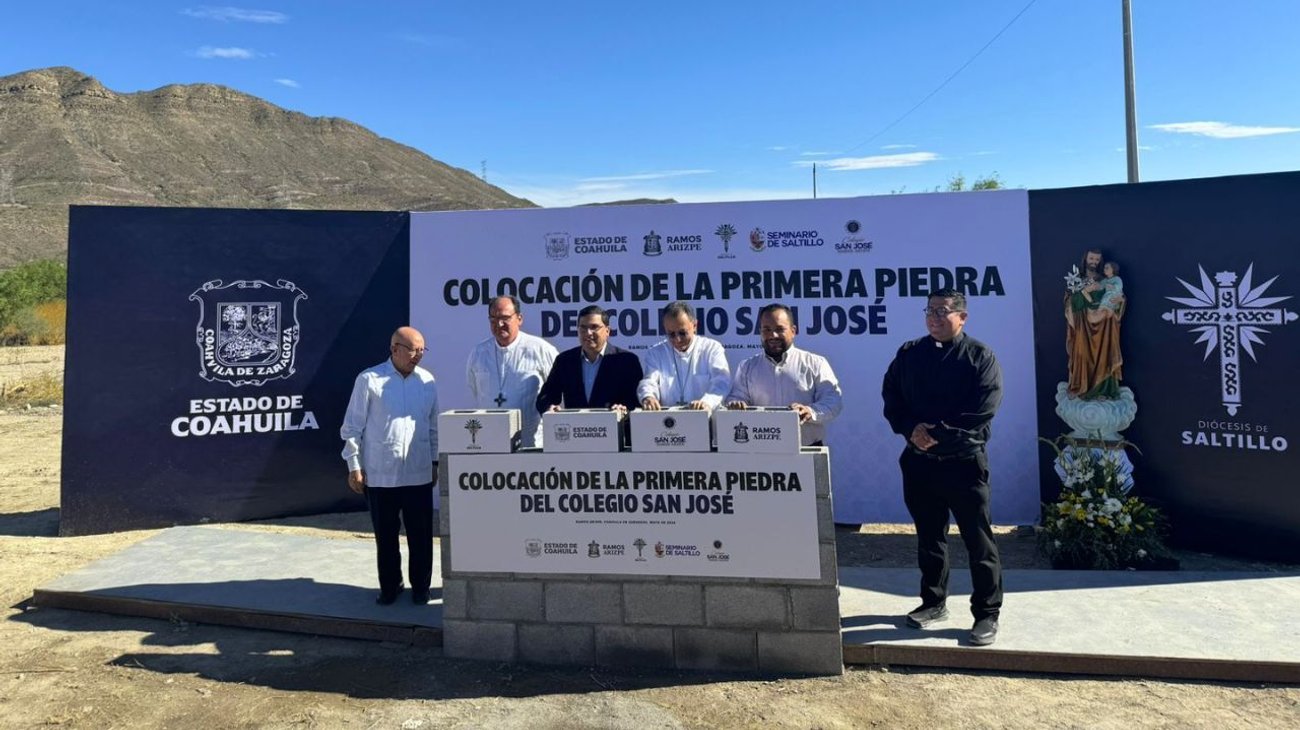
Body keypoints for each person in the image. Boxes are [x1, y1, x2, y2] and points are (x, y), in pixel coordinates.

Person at [881, 288, 1003, 646]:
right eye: (929, 311)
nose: (934, 318)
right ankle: (933, 602)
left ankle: (986, 613)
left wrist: (937, 434)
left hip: (964, 464)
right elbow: (892, 396)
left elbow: (983, 409)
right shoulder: (909, 354)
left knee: (978, 540)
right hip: (920, 465)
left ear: (962, 317)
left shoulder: (981, 357)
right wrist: (910, 430)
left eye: (943, 311)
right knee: (929, 538)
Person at [340, 326, 439, 606]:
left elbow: (433, 426)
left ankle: (421, 587)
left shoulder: (427, 381)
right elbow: (351, 427)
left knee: (421, 536)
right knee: (386, 537)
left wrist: (434, 462)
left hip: (418, 472)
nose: (418, 355)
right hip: (381, 475)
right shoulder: (369, 380)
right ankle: (390, 586)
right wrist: (354, 465)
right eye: (413, 350)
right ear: (395, 349)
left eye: (422, 350)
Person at [725, 303, 842, 446]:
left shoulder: (815, 363)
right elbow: (736, 398)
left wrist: (810, 412)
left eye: (780, 329)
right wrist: (736, 405)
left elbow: (833, 401)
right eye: (766, 329)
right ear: (760, 332)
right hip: (759, 452)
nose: (773, 335)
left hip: (806, 450)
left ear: (793, 331)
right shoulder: (747, 367)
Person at [466, 295, 558, 447]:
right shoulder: (479, 353)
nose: (499, 324)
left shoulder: (541, 350)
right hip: (490, 444)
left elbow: (557, 393)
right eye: (493, 319)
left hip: (530, 445)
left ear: (519, 319)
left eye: (505, 318)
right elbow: (475, 389)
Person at [536, 304, 643, 412]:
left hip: (614, 426)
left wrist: (624, 408)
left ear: (607, 331)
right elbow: (546, 397)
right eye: (583, 328)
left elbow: (636, 400)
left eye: (594, 327)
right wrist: (549, 407)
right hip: (575, 426)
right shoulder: (565, 361)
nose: (588, 333)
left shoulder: (627, 361)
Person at [637, 300, 731, 411]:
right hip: (668, 423)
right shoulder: (656, 353)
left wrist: (706, 402)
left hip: (705, 418)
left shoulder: (711, 348)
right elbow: (649, 381)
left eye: (682, 333)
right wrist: (648, 396)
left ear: (695, 326)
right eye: (671, 334)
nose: (677, 339)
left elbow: (721, 382)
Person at [1066, 248, 1124, 399]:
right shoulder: (1076, 278)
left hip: (1105, 327)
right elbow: (1069, 302)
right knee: (1082, 355)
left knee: (1105, 357)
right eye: (1092, 258)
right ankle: (1083, 388)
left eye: (1097, 260)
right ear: (1085, 258)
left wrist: (1120, 301)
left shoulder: (1105, 279)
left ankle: (1103, 390)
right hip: (1083, 324)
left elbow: (1118, 296)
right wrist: (1084, 293)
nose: (1094, 262)